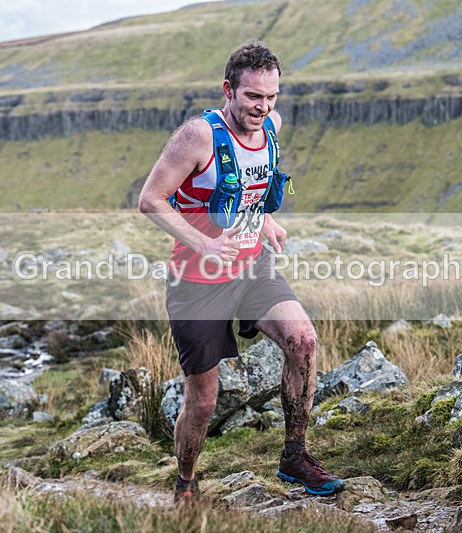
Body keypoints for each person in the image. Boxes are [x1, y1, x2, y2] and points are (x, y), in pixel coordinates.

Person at [138, 40, 343, 503]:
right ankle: (186, 481)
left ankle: (294, 455)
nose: (263, 106)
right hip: (196, 282)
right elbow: (149, 200)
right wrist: (206, 242)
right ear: (228, 90)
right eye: (253, 96)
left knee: (303, 340)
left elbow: (254, 179)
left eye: (271, 96)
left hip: (253, 267)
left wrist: (266, 219)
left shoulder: (271, 125)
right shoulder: (198, 137)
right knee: (204, 402)